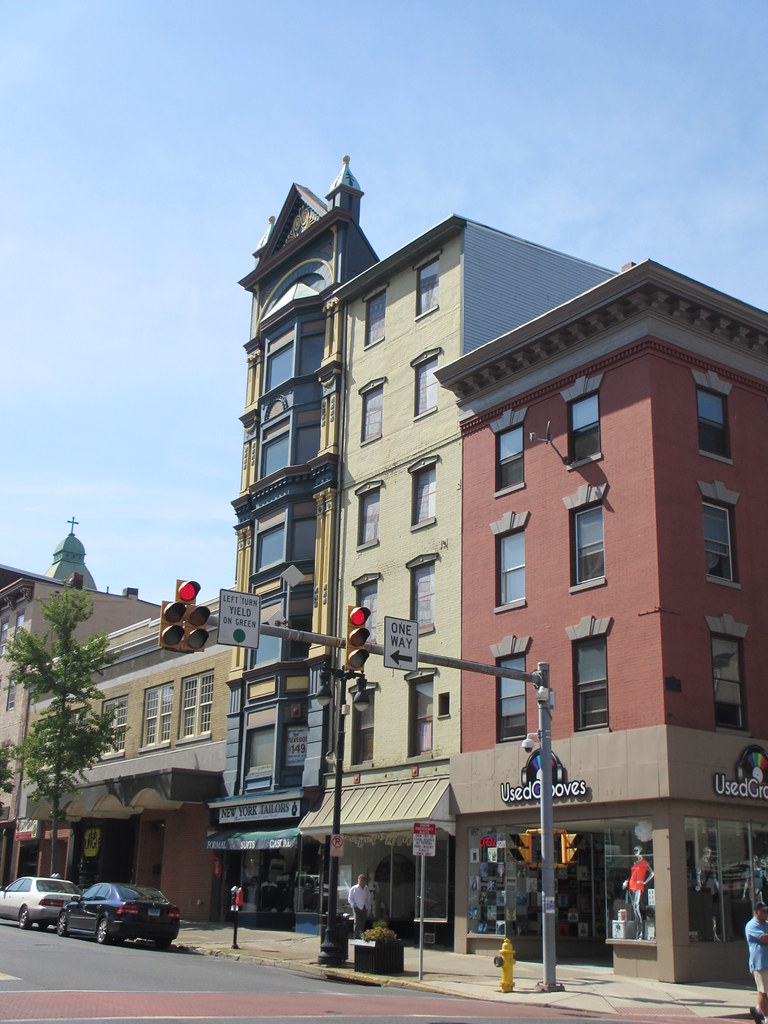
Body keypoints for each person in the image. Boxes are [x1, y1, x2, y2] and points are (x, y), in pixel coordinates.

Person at [623, 846, 654, 939]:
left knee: (636, 907)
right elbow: (632, 875)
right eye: (634, 850)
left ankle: (640, 932)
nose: (635, 852)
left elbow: (652, 873)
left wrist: (644, 882)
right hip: (631, 886)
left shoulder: (644, 863)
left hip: (638, 886)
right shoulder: (635, 863)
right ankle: (638, 932)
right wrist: (627, 881)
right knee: (634, 908)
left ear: (640, 851)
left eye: (637, 850)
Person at [745, 901, 768, 1024]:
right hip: (760, 964)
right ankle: (766, 1017)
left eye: (767, 911)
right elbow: (764, 939)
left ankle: (758, 1009)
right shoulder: (751, 925)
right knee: (763, 992)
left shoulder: (767, 924)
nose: (766, 913)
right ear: (756, 912)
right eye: (763, 911)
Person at [348, 873, 373, 938]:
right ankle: (356, 936)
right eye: (360, 880)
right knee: (357, 922)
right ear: (358, 880)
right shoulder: (354, 888)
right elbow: (350, 898)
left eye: (363, 880)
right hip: (357, 907)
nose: (361, 882)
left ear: (364, 881)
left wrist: (368, 906)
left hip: (364, 907)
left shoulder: (366, 888)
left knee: (362, 922)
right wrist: (353, 905)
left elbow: (369, 898)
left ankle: (361, 935)